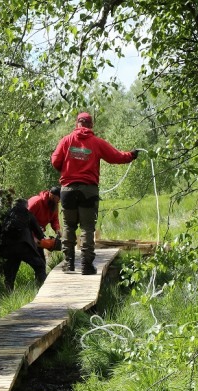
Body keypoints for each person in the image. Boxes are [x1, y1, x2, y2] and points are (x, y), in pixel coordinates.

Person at [51, 111, 139, 275]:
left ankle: (69, 263)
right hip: (88, 190)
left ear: (77, 124)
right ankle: (86, 265)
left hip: (68, 190)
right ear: (91, 125)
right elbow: (116, 156)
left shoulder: (66, 140)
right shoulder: (97, 142)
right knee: (87, 228)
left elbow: (55, 161)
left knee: (69, 226)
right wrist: (131, 155)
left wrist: (65, 168)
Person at [0, 198, 47, 291]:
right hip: (24, 247)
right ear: (26, 205)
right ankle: (42, 289)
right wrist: (41, 238)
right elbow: (39, 233)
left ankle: (8, 294)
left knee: (9, 275)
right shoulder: (27, 214)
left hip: (7, 248)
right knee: (40, 265)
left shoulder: (6, 215)